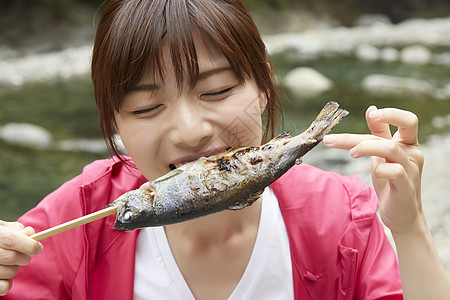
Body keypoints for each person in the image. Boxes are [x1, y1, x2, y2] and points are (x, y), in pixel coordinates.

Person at [0, 0, 449, 299]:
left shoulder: (340, 216)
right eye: (148, 106)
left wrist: (410, 230)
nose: (191, 130)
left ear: (264, 87)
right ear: (114, 120)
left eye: (215, 91)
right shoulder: (76, 220)